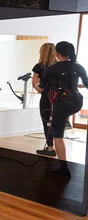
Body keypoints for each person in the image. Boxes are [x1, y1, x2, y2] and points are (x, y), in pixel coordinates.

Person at [36, 41, 88, 177]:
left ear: (57, 53)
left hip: (62, 102)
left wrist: (35, 85)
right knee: (61, 117)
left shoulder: (52, 69)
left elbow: (41, 88)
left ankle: (64, 169)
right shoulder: (79, 67)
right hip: (77, 102)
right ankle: (65, 120)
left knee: (57, 136)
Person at [31, 43, 57, 157]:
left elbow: (35, 83)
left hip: (46, 98)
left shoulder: (39, 66)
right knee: (56, 123)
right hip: (58, 98)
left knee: (46, 122)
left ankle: (50, 148)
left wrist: (39, 89)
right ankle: (58, 145)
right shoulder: (59, 65)